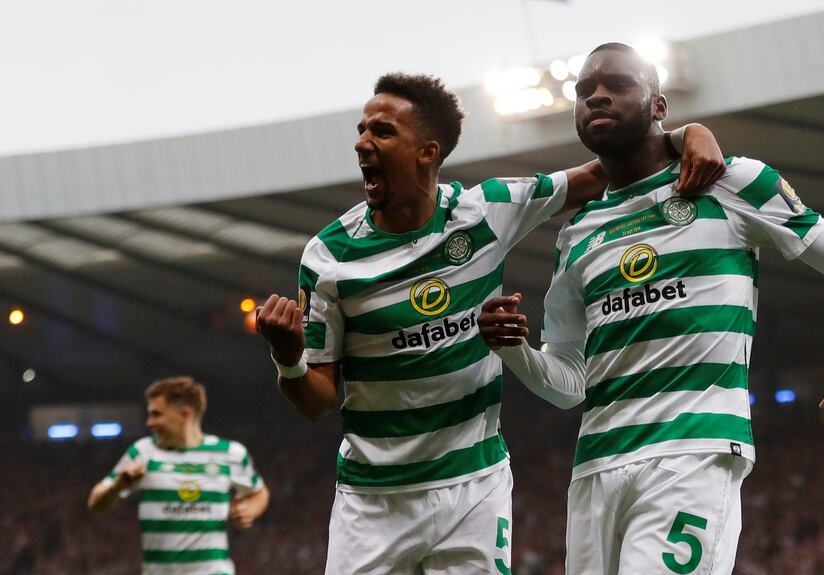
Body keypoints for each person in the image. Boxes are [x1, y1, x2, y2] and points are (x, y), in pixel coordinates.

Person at [255, 71, 725, 574]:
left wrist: (685, 133)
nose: (362, 143)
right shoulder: (329, 256)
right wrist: (288, 358)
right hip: (374, 502)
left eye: (382, 132)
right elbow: (318, 400)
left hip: (474, 491)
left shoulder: (486, 211)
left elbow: (603, 171)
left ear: (427, 153)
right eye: (362, 128)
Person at [477, 42, 824, 574]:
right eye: (584, 91)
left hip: (692, 453)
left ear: (659, 105)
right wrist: (514, 350)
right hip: (596, 467)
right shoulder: (577, 233)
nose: (596, 97)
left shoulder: (731, 182)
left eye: (617, 84)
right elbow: (570, 382)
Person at [88, 376, 269, 575]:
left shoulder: (229, 453)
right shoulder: (143, 452)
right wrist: (118, 486)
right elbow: (96, 503)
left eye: (156, 414)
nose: (149, 422)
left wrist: (250, 510)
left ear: (185, 415)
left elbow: (259, 492)